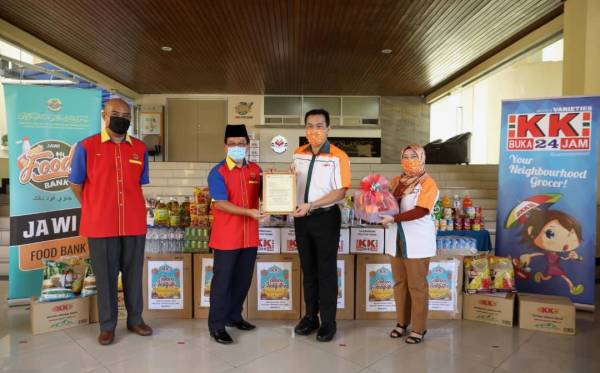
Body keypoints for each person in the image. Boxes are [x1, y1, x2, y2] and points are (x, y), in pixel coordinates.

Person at [69, 98, 152, 346]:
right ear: (104, 116)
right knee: (105, 276)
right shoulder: (86, 146)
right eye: (115, 113)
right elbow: (75, 183)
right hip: (100, 224)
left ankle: (135, 319)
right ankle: (107, 326)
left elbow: (139, 183)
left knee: (133, 274)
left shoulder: (139, 148)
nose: (121, 118)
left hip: (134, 222)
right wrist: (93, 206)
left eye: (126, 115)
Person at [292, 109, 351, 342]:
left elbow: (341, 191)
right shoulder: (298, 153)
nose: (314, 130)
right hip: (301, 218)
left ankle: (328, 322)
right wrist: (285, 182)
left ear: (328, 128)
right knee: (308, 269)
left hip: (325, 217)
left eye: (319, 125)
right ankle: (310, 317)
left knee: (326, 271)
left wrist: (312, 204)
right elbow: (295, 182)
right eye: (309, 125)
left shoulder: (339, 156)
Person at [207, 124, 262, 344]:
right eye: (232, 144)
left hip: (249, 236)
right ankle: (217, 326)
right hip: (227, 237)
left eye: (241, 143)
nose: (237, 147)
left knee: (242, 280)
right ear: (225, 146)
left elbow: (267, 194)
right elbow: (220, 203)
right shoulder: (217, 172)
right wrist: (248, 211)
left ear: (248, 145)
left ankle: (234, 316)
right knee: (222, 282)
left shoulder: (255, 170)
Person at [379, 144, 439, 344]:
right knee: (400, 284)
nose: (409, 159)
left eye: (414, 156)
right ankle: (401, 323)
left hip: (417, 242)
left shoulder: (428, 183)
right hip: (396, 241)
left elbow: (421, 210)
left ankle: (419, 328)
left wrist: (393, 219)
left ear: (422, 157)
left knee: (417, 286)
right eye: (405, 156)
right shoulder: (397, 181)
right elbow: (385, 203)